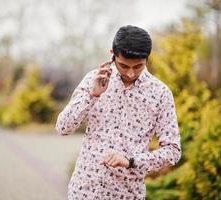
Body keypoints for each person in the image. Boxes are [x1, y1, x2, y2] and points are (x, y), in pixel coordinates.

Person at [56, 25, 181, 200]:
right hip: (84, 191)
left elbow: (172, 151)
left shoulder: (161, 94)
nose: (130, 73)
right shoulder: (93, 80)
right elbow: (63, 127)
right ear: (112, 54)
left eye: (138, 66)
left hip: (128, 194)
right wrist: (92, 96)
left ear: (147, 59)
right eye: (123, 65)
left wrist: (132, 161)